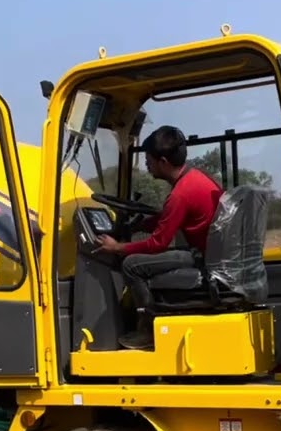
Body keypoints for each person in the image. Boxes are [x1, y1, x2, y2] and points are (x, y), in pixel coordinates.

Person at [94, 125, 224, 349]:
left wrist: (116, 247)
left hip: (202, 258)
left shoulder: (180, 195)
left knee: (132, 265)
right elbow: (166, 218)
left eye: (148, 159)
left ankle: (147, 331)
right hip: (211, 253)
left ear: (163, 162)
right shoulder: (196, 178)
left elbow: (158, 243)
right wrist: (138, 225)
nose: (146, 164)